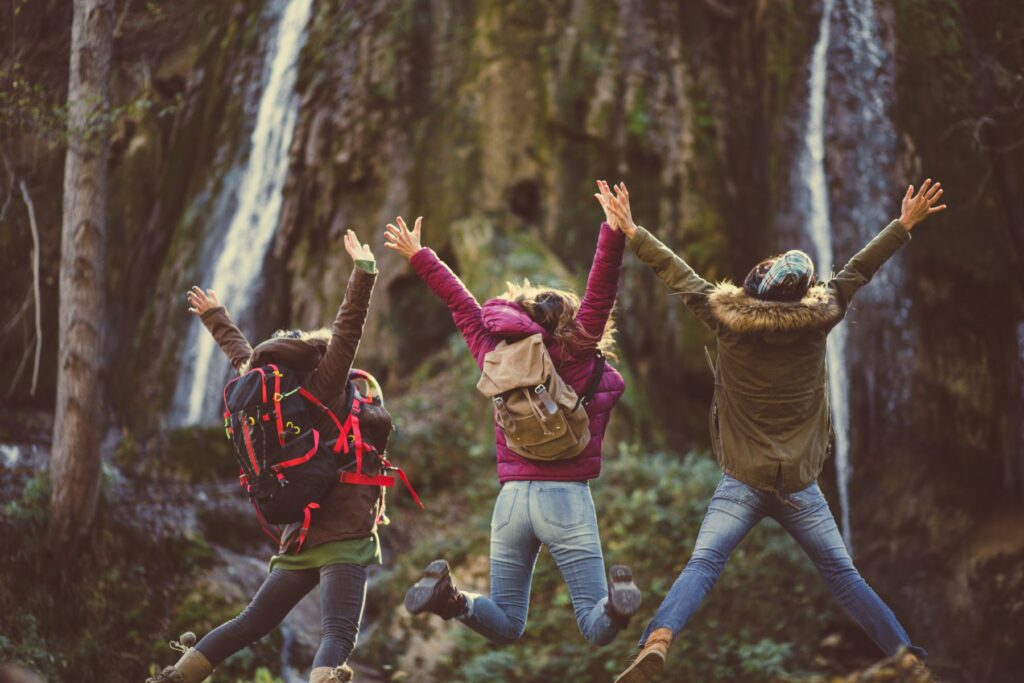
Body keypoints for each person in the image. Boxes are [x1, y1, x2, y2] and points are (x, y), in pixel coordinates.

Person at [603, 180, 946, 683]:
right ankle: (908, 658)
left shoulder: (726, 321)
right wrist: (903, 225)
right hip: (800, 486)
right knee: (844, 577)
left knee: (703, 565)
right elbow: (858, 270)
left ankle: (658, 640)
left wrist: (632, 231)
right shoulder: (819, 320)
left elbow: (676, 272)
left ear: (752, 285)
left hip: (742, 481)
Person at [383, 181, 641, 647]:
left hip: (512, 502)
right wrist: (613, 230)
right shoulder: (577, 352)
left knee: (506, 622)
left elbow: (461, 304)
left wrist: (420, 256)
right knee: (593, 623)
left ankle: (450, 600)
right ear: (570, 321)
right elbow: (601, 290)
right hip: (566, 499)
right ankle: (615, 607)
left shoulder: (494, 353)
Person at [148, 230, 384, 683]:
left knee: (250, 622)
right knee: (337, 634)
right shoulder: (327, 382)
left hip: (298, 533)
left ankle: (175, 677)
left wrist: (216, 317)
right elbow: (349, 326)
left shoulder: (273, 390)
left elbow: (242, 356)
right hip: (344, 531)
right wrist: (364, 272)